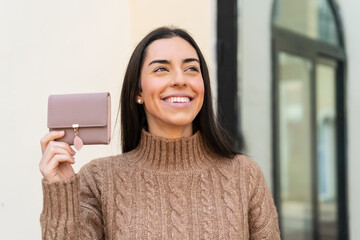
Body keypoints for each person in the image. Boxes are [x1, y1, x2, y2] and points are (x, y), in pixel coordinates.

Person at [39, 27, 280, 239]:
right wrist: (61, 191)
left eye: (191, 69)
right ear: (138, 91)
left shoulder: (244, 176)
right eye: (161, 69)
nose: (179, 79)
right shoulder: (99, 180)